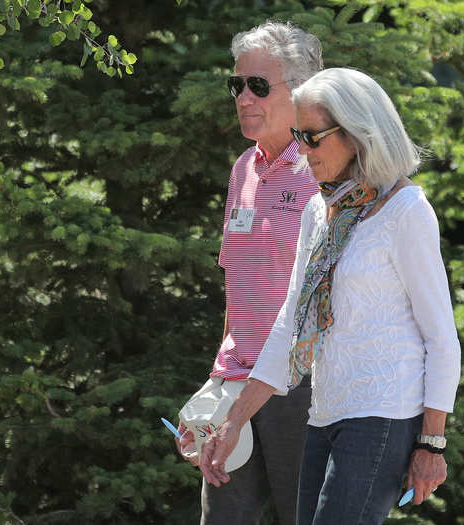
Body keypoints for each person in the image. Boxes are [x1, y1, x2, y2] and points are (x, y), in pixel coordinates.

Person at [199, 67, 462, 525]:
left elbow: (441, 338)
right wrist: (233, 419)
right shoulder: (319, 211)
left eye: (313, 137)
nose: (301, 150)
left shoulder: (406, 211)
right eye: (298, 134)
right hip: (322, 415)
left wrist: (431, 443)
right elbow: (290, 324)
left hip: (383, 416)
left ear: (360, 134)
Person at [176, 21, 322, 525]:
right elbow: (235, 284)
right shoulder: (243, 168)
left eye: (258, 85)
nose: (242, 97)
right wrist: (216, 379)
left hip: (299, 386)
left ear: (300, 92)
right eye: (236, 84)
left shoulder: (323, 169)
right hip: (234, 383)